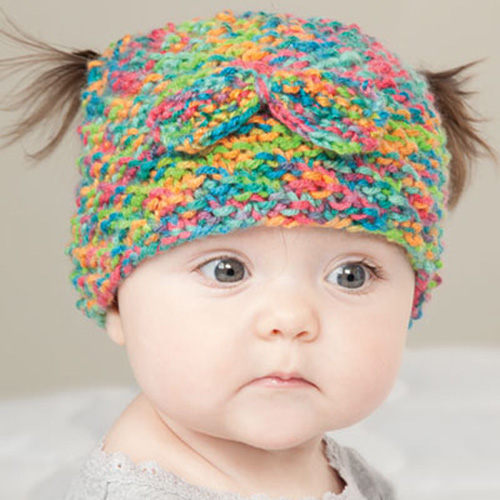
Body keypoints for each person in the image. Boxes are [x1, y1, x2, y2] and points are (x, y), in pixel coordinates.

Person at [0, 8, 496, 500]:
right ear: (114, 302)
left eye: (351, 275)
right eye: (227, 269)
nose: (290, 318)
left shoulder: (335, 468)